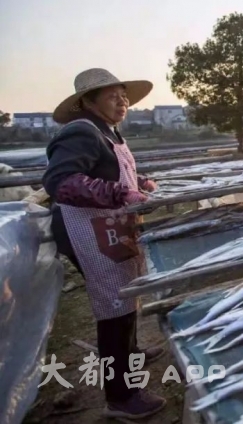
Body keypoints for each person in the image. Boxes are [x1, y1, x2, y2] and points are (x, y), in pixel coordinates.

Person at [43, 68, 167, 419]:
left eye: (124, 95)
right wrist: (119, 192)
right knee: (114, 308)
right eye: (112, 95)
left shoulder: (108, 132)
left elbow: (107, 170)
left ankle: (132, 351)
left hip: (111, 228)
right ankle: (121, 395)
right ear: (87, 101)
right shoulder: (80, 131)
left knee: (127, 295)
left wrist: (138, 182)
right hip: (89, 232)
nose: (122, 101)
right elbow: (61, 181)